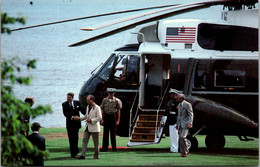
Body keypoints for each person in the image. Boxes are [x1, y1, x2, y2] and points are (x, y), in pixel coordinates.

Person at [74, 95, 102, 159]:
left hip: (94, 128)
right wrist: (79, 118)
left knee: (96, 143)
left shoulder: (97, 107)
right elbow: (86, 116)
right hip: (87, 127)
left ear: (92, 100)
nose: (87, 101)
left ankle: (96, 156)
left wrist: (91, 120)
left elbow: (99, 117)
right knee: (84, 140)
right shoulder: (87, 107)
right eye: (87, 100)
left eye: (88, 100)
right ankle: (83, 155)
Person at [62, 92, 85, 158]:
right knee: (71, 139)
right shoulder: (64, 104)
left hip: (77, 124)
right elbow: (65, 114)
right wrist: (72, 117)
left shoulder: (77, 103)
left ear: (72, 97)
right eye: (67, 97)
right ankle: (73, 154)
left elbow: (81, 110)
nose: (68, 98)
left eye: (69, 97)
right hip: (70, 124)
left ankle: (76, 151)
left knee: (76, 138)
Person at [100, 88, 121, 152]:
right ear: (108, 93)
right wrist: (102, 119)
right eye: (109, 93)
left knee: (113, 133)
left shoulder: (116, 101)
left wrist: (118, 120)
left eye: (112, 93)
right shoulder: (104, 100)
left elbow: (118, 111)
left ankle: (114, 148)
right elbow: (102, 110)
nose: (111, 94)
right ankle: (104, 148)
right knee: (105, 133)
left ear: (114, 93)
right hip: (106, 116)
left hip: (113, 117)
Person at [166, 88, 179, 153]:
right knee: (172, 135)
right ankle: (173, 148)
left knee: (175, 135)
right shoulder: (170, 102)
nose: (171, 95)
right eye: (171, 94)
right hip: (171, 120)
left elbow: (179, 112)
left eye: (173, 94)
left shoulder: (178, 102)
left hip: (175, 119)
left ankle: (175, 149)